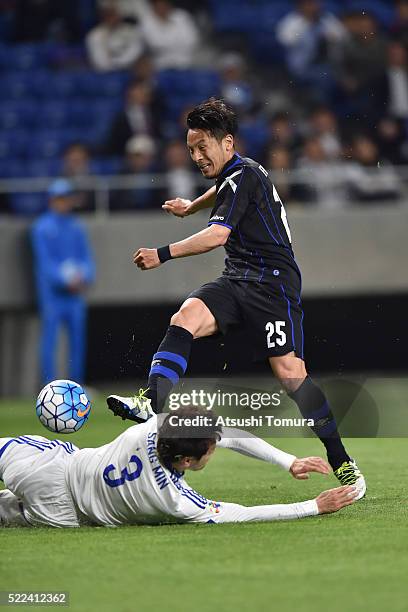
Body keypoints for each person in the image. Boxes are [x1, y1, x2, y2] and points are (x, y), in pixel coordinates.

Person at [107, 99, 366, 497]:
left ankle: (341, 460)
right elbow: (219, 192)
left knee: (291, 376)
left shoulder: (243, 175)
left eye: (202, 146)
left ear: (227, 142)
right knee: (185, 317)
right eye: (191, 149)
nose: (196, 156)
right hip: (238, 277)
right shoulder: (238, 173)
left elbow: (217, 236)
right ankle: (151, 400)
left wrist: (162, 253)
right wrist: (190, 206)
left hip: (273, 286)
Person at [0, 407, 358, 527]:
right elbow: (243, 514)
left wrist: (288, 461)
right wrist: (313, 505)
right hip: (61, 513)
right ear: (186, 461)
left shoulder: (153, 427)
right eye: (211, 450)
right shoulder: (176, 500)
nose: (217, 449)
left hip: (48, 466)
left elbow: (227, 435)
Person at [31, 179, 95, 384]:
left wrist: (83, 275)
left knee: (78, 341)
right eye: (59, 198)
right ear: (51, 200)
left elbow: (86, 258)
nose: (63, 202)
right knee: (50, 340)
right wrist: (65, 278)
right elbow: (44, 262)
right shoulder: (41, 227)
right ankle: (48, 386)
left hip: (74, 294)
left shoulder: (76, 227)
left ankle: (76, 385)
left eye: (66, 198)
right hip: (52, 295)